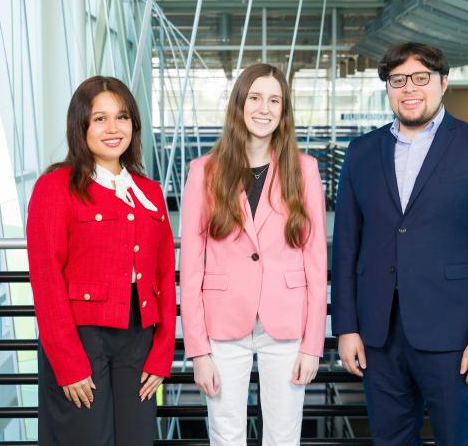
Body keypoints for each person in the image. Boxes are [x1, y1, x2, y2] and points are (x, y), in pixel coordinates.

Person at [331, 42, 468, 446]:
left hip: (454, 334)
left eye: (421, 78)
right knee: (390, 439)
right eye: (398, 80)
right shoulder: (362, 152)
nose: (409, 88)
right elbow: (346, 247)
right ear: (388, 87)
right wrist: (346, 327)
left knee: (460, 439)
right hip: (378, 335)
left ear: (443, 82)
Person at [180, 63, 328, 446]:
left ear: (284, 111)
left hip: (286, 325)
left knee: (283, 437)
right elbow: (191, 268)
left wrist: (313, 345)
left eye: (275, 100)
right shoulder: (204, 171)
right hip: (223, 328)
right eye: (256, 98)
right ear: (239, 104)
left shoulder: (305, 169)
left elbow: (315, 262)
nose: (264, 108)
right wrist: (197, 351)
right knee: (225, 435)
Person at [26, 76, 176, 446]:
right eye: (100, 119)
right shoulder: (55, 187)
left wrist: (162, 353)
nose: (113, 129)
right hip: (81, 339)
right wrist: (67, 362)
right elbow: (46, 281)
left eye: (122, 117)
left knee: (137, 439)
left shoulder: (150, 192)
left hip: (138, 338)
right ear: (81, 126)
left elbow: (163, 278)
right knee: (84, 439)